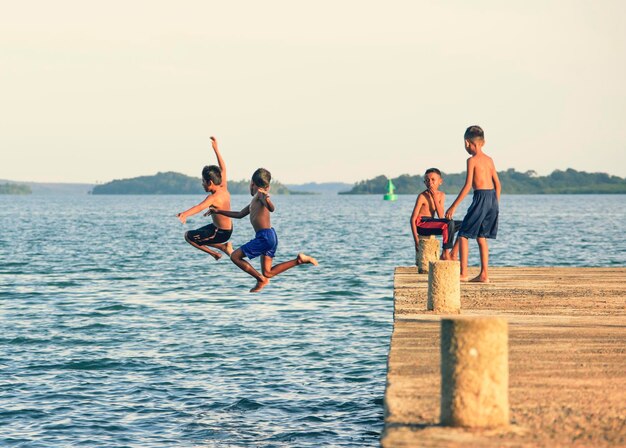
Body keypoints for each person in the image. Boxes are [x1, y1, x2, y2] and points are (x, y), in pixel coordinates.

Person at [207, 168, 318, 292]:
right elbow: (239, 214)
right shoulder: (254, 200)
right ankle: (299, 260)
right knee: (268, 272)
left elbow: (271, 208)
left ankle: (260, 280)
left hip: (264, 237)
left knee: (235, 257)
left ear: (252, 184)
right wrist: (218, 211)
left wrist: (267, 199)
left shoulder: (260, 194)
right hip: (270, 236)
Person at [445, 126, 501, 283]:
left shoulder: (471, 160)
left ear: (467, 143)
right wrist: (495, 204)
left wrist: (453, 206)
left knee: (463, 234)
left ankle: (463, 273)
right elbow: (498, 184)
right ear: (483, 142)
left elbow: (468, 185)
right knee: (481, 237)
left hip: (481, 197)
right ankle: (484, 274)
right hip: (492, 199)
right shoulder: (489, 160)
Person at [177, 136, 233, 260]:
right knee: (200, 235)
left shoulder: (213, 197)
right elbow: (223, 168)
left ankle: (216, 253)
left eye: (203, 181)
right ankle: (223, 247)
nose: (202, 184)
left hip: (221, 233)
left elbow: (199, 207)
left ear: (210, 182)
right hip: (223, 227)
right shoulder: (223, 187)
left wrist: (185, 214)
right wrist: (216, 149)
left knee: (189, 236)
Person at [410, 168, 462, 260]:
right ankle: (445, 253)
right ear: (425, 182)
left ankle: (453, 253)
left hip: (433, 222)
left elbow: (441, 216)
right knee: (448, 223)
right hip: (422, 224)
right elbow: (413, 219)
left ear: (440, 181)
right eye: (427, 180)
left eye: (433, 180)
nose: (430, 182)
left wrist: (434, 197)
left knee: (465, 224)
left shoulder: (441, 195)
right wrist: (416, 240)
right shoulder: (422, 196)